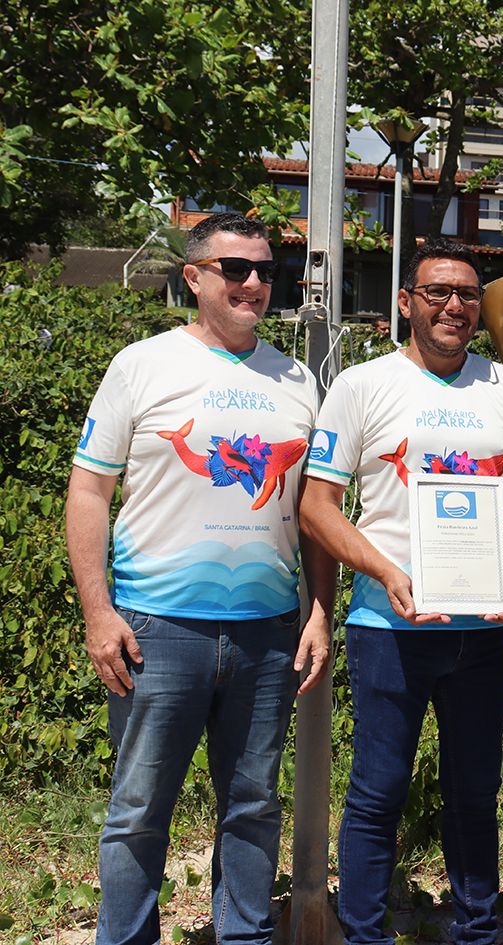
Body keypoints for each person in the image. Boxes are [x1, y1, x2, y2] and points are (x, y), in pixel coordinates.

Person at [66, 211, 333, 945]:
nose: (254, 283)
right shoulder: (141, 364)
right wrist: (98, 611)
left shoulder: (296, 378)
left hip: (268, 633)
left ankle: (242, 935)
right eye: (236, 269)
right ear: (193, 276)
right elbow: (88, 488)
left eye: (266, 272)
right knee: (138, 809)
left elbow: (315, 509)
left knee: (252, 804)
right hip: (157, 629)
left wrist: (318, 613)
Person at [299, 237, 503, 945]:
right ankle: (365, 935)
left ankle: (476, 930)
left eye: (467, 293)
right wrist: (384, 572)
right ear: (405, 303)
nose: (453, 305)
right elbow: (317, 505)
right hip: (389, 626)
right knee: (376, 793)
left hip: (480, 633)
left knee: (475, 795)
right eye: (438, 291)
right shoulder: (362, 385)